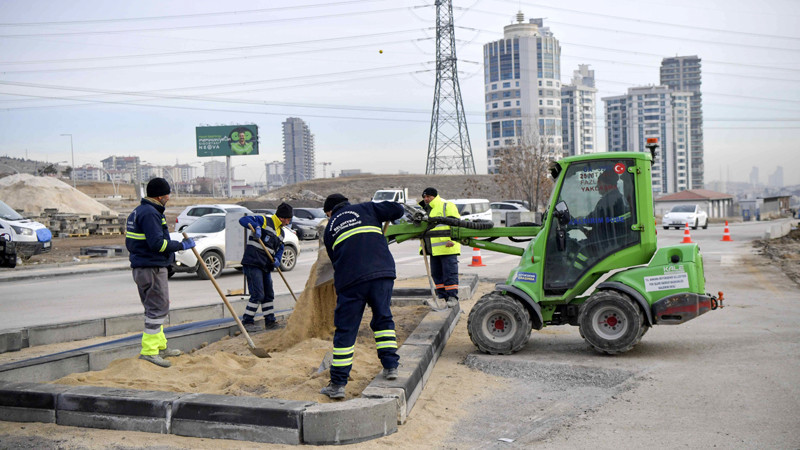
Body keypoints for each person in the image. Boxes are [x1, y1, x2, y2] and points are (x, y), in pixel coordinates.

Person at [320, 193, 404, 399]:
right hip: (381, 272)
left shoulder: (330, 229)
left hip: (351, 280)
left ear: (330, 211)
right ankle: (391, 366)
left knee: (346, 330)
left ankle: (338, 384)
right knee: (383, 318)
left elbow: (335, 259)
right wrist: (388, 216)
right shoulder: (368, 208)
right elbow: (398, 209)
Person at [126, 177, 195, 368]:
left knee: (158, 307)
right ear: (160, 195)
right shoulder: (150, 213)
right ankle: (149, 351)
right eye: (167, 194)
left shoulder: (142, 210)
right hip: (151, 267)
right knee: (157, 309)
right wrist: (180, 245)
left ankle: (160, 346)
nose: (169, 198)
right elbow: (157, 244)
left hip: (147, 266)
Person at [237, 202, 293, 332]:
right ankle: (247, 321)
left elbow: (280, 247)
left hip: (265, 265)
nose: (288, 222)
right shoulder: (264, 220)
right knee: (258, 294)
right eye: (288, 219)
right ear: (283, 217)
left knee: (268, 294)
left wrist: (278, 258)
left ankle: (270, 321)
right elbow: (244, 220)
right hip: (253, 262)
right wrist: (256, 227)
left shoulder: (281, 232)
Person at [419, 187, 461, 308]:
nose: (426, 199)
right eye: (424, 197)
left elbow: (456, 223)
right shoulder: (425, 209)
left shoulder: (446, 205)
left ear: (435, 196)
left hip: (447, 246)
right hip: (433, 249)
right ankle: (442, 296)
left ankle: (452, 297)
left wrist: (451, 240)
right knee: (436, 274)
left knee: (449, 273)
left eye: (428, 197)